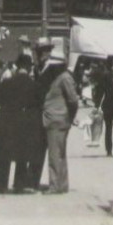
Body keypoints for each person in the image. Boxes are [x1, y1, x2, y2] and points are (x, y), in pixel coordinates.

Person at [0, 52, 41, 192]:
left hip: (7, 122)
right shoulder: (34, 85)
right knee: (22, 155)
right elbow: (39, 103)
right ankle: (19, 185)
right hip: (25, 123)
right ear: (29, 68)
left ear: (17, 66)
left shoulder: (7, 83)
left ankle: (1, 185)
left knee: (4, 155)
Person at [38, 45, 80, 194]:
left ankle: (55, 185)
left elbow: (73, 100)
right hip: (57, 119)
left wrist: (70, 116)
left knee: (55, 154)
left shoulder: (64, 78)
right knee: (59, 153)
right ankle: (62, 184)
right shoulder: (60, 77)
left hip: (57, 119)